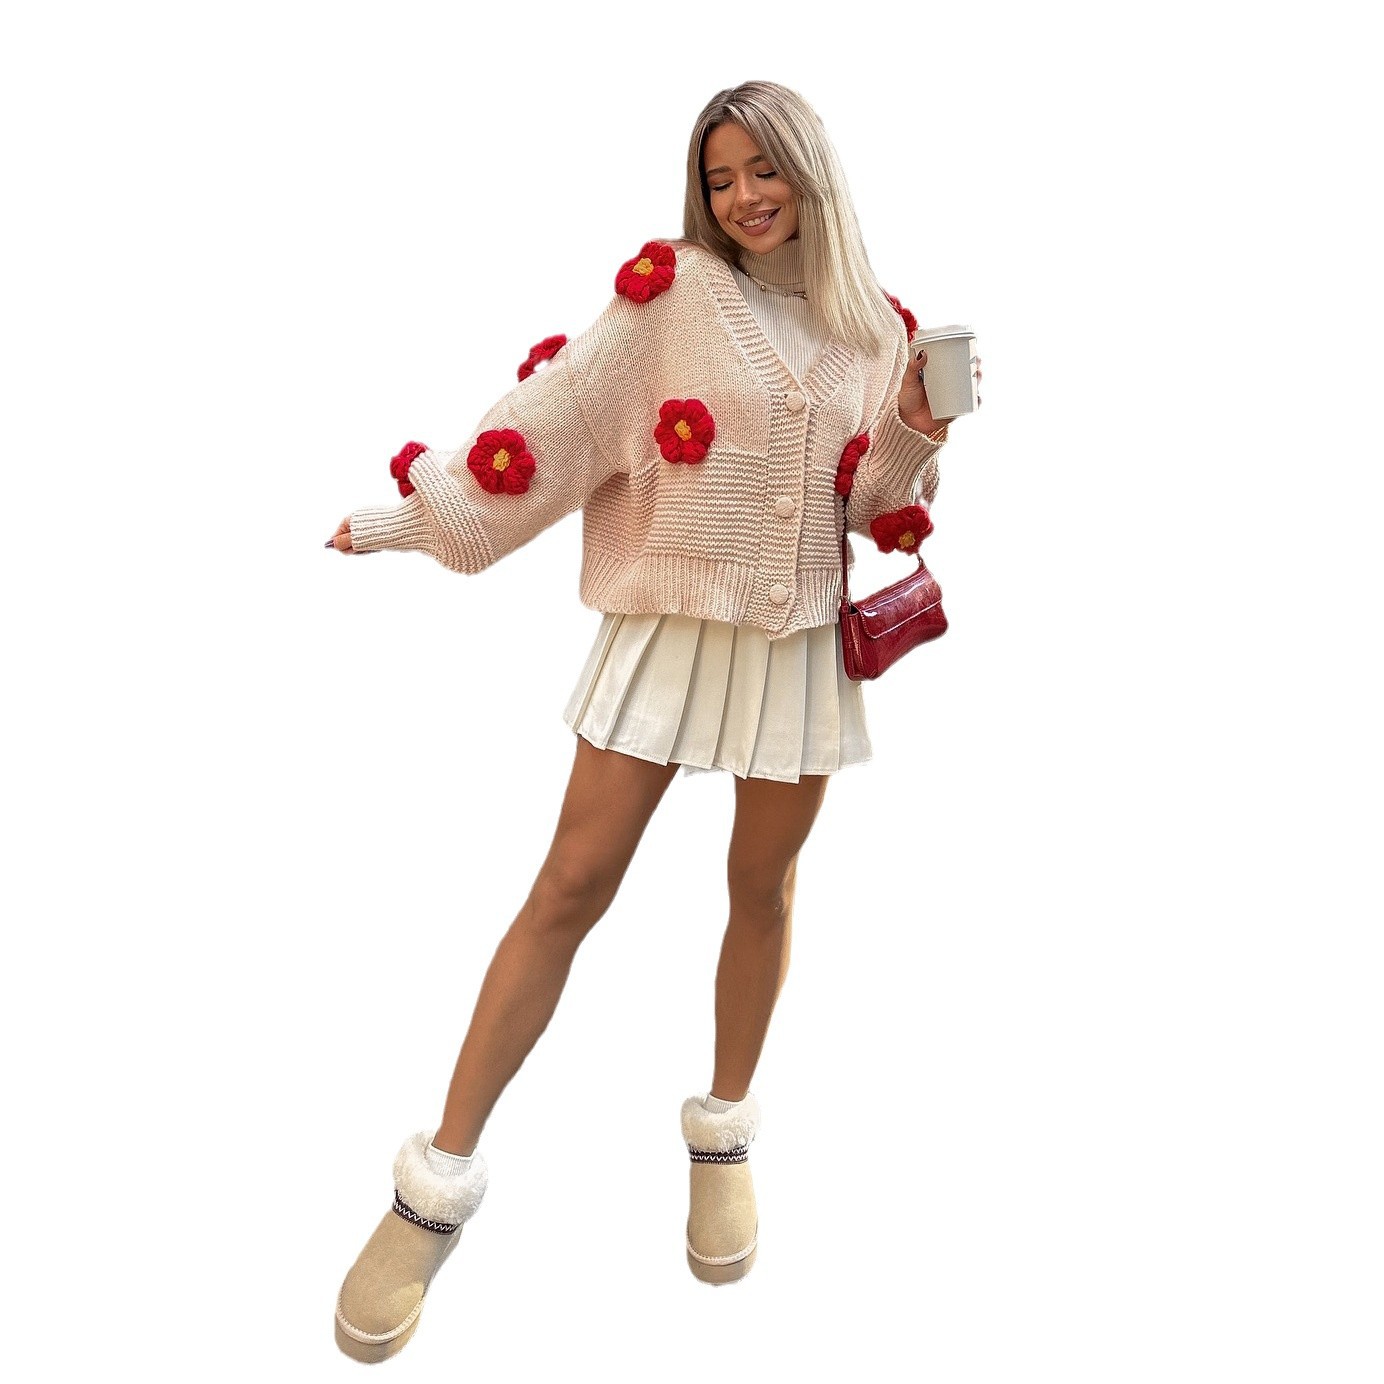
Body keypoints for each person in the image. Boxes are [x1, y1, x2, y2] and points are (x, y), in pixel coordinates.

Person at [326, 79, 977, 1363]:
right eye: (720, 177)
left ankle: (723, 1134)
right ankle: (432, 1187)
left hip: (795, 640)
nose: (742, 197)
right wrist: (416, 518)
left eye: (763, 170)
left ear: (811, 172)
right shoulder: (671, 298)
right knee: (568, 886)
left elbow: (869, 506)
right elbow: (559, 419)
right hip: (668, 628)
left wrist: (914, 428)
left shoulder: (876, 327)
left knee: (763, 888)